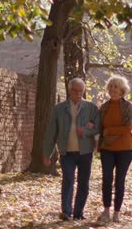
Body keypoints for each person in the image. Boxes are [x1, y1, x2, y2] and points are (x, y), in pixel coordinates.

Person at [43, 78, 100, 221]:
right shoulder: (59, 109)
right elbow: (51, 132)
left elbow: (98, 127)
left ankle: (78, 213)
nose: (78, 93)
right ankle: (67, 212)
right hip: (66, 152)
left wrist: (86, 132)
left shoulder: (92, 108)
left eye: (81, 91)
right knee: (68, 180)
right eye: (75, 90)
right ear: (69, 90)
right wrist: (47, 154)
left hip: (85, 152)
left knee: (83, 183)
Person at [97, 75, 132, 223]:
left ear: (122, 90)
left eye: (116, 87)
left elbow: (128, 128)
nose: (113, 89)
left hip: (125, 148)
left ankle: (117, 213)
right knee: (106, 179)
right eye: (111, 86)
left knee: (119, 181)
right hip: (107, 148)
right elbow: (100, 128)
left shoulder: (128, 106)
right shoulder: (104, 107)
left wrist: (109, 132)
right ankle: (106, 210)